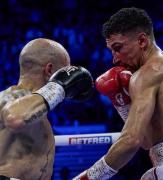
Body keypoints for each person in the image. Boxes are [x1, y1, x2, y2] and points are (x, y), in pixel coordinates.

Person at [73, 7, 163, 179]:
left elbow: (131, 140)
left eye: (118, 48)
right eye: (111, 51)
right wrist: (122, 103)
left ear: (142, 41)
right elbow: (146, 141)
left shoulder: (148, 73)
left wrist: (88, 177)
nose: (114, 58)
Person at [0, 38, 93, 180]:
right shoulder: (11, 98)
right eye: (64, 71)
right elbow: (15, 117)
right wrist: (58, 86)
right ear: (50, 70)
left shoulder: (36, 108)